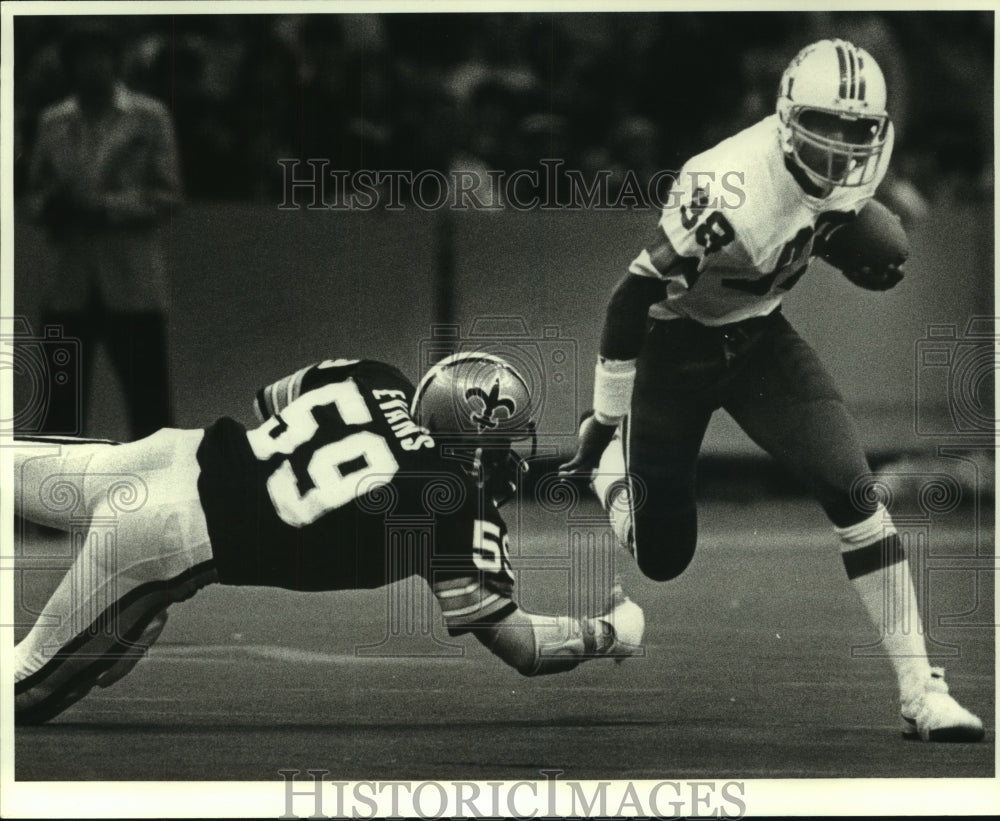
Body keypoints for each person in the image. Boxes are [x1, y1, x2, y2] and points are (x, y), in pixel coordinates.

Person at [558, 38, 984, 743]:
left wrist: (850, 240)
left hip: (759, 341)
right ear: (787, 118)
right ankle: (611, 473)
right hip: (675, 351)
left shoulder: (836, 175)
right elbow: (630, 300)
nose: (843, 149)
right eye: (828, 128)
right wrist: (605, 420)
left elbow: (829, 219)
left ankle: (921, 689)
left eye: (858, 131)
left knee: (853, 488)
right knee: (663, 556)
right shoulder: (723, 191)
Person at [14, 352, 645, 725]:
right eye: (501, 441)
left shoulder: (373, 374)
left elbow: (273, 405)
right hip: (161, 541)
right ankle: (141, 604)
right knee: (21, 695)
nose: (508, 456)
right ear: (470, 437)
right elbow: (520, 645)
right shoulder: (453, 502)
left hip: (162, 455)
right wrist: (611, 634)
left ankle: (142, 603)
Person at [25, 20, 182, 439]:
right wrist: (50, 207)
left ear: (117, 63)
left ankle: (160, 490)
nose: (93, 67)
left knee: (149, 405)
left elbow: (169, 194)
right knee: (60, 405)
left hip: (130, 279)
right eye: (83, 59)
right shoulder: (53, 121)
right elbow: (34, 192)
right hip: (69, 280)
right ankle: (54, 496)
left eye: (102, 57)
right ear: (70, 66)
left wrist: (107, 208)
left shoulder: (148, 117)